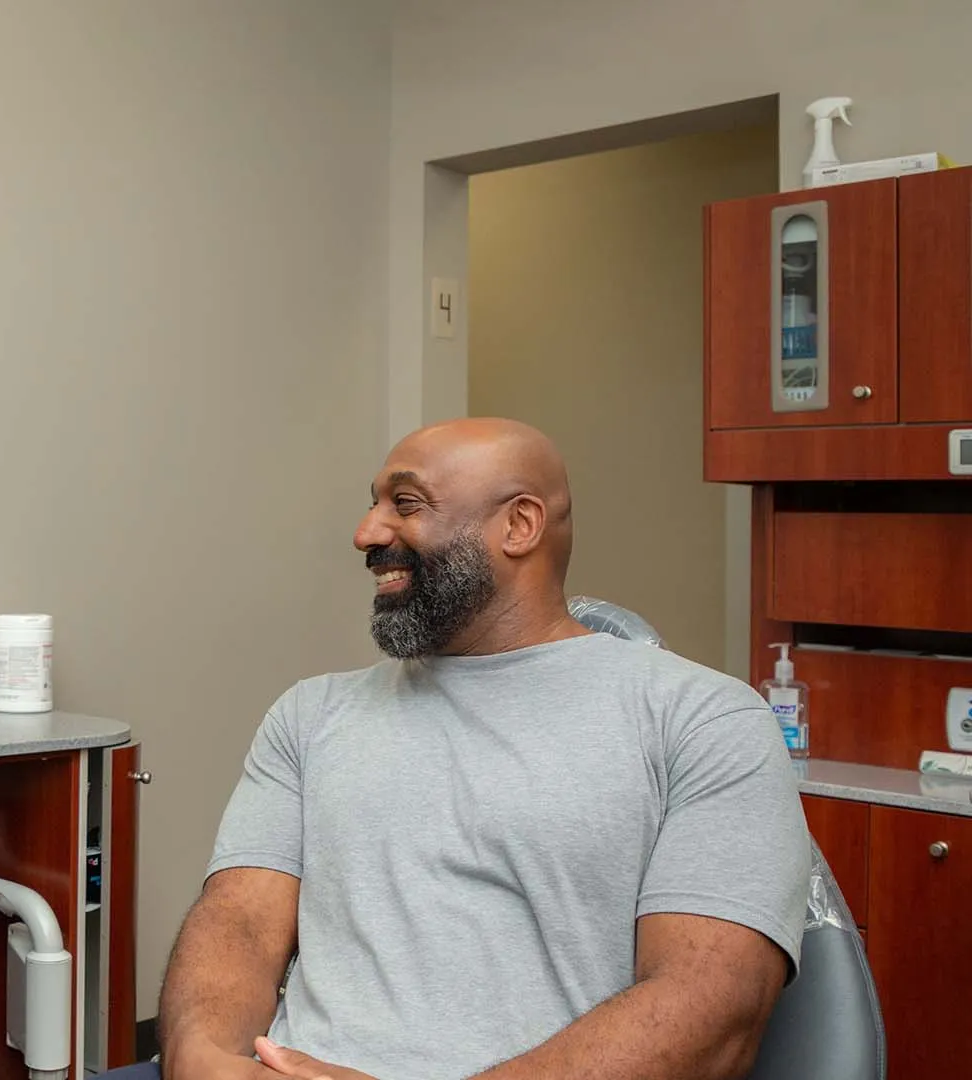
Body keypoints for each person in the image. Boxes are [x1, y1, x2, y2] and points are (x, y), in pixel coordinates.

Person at [135, 417, 811, 1080]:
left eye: (405, 504)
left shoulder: (704, 721)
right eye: (372, 504)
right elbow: (240, 924)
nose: (366, 533)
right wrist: (201, 1059)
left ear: (519, 526)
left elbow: (709, 1010)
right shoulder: (310, 716)